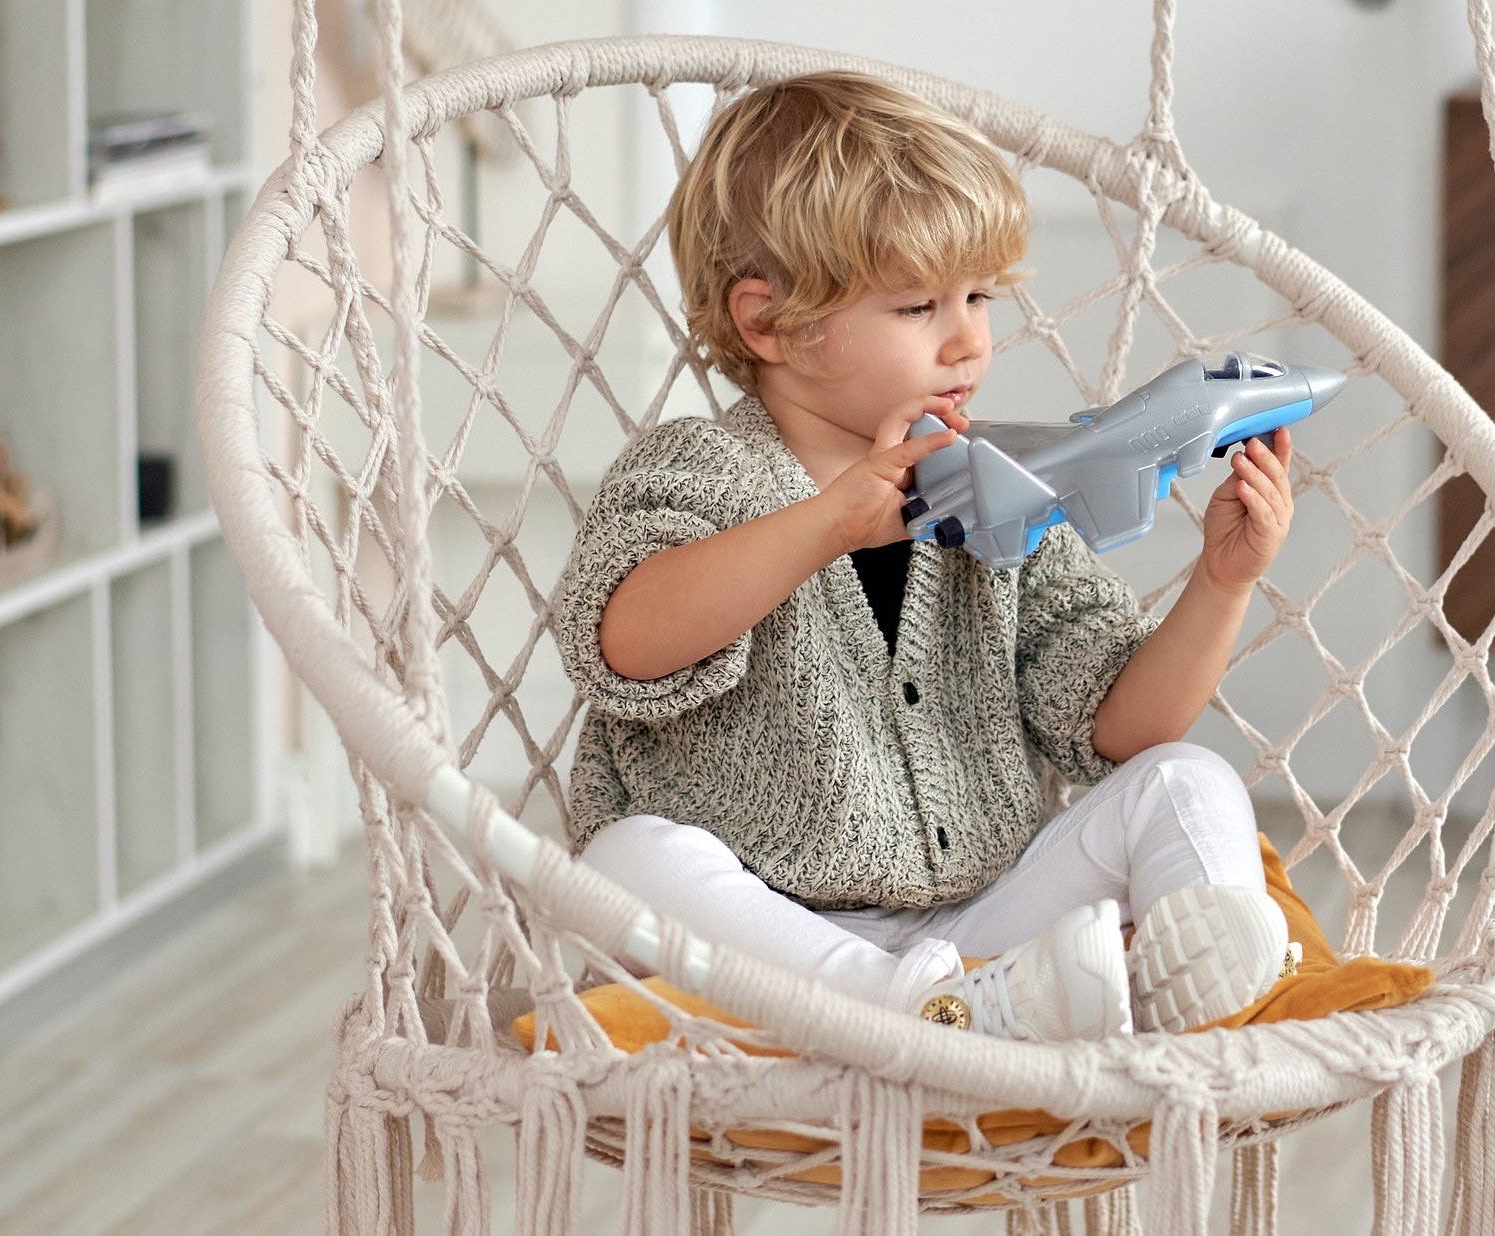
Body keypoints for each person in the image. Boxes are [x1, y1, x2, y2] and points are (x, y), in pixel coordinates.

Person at [551, 71, 1298, 1041]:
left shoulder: (1006, 487)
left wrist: (1222, 584)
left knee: (1189, 782)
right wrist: (825, 525)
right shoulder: (700, 469)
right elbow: (623, 643)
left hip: (986, 926)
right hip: (774, 951)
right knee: (626, 859)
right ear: (767, 321)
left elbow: (1122, 731)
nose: (969, 344)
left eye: (979, 297)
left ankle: (1172, 984)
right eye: (917, 309)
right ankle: (928, 1013)